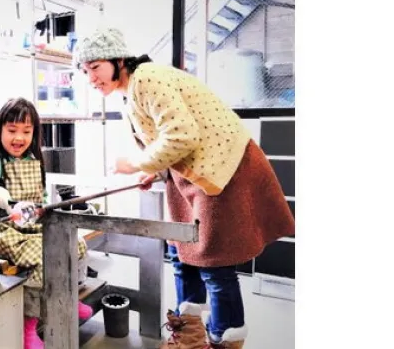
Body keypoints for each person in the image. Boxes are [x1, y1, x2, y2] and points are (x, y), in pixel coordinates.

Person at [73, 28, 295, 349]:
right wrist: (152, 169)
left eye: (95, 67)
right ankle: (189, 337)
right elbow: (166, 140)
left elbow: (182, 136)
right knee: (182, 255)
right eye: (85, 71)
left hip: (221, 170)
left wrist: (136, 163)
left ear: (118, 59)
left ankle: (224, 340)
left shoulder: (147, 78)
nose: (91, 78)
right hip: (191, 177)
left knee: (214, 262)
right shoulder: (130, 92)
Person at [0, 98, 93, 349]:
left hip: (32, 226)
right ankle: (29, 325)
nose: (19, 138)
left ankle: (69, 297)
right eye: (12, 131)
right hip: (5, 232)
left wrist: (43, 208)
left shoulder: (34, 160)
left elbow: (39, 198)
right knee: (42, 257)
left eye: (26, 131)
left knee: (76, 244)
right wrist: (10, 204)